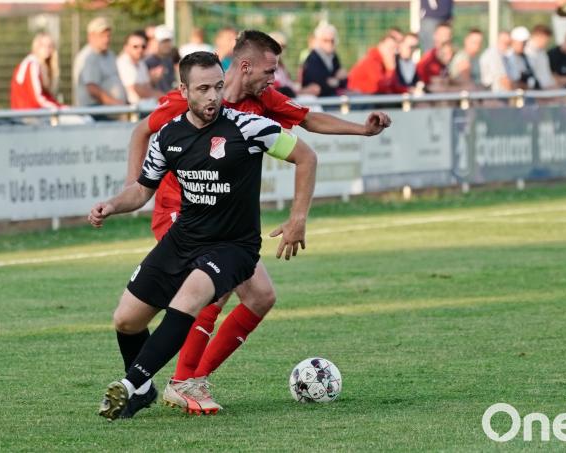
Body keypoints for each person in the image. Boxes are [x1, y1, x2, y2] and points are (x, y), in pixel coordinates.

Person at [122, 30, 391, 417]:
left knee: (261, 296)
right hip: (180, 213)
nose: (274, 78)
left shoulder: (262, 100)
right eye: (269, 69)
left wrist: (363, 130)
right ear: (244, 66)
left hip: (224, 221)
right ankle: (184, 382)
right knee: (215, 286)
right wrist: (136, 186)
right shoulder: (187, 100)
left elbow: (309, 120)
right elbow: (140, 131)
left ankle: (190, 378)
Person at [91, 51, 319, 421]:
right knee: (126, 320)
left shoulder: (248, 127)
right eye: (203, 89)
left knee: (192, 296)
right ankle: (145, 389)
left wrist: (298, 218)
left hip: (234, 246)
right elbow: (142, 190)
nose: (213, 96)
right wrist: (112, 205)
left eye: (217, 86)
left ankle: (132, 384)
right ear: (184, 90)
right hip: (184, 238)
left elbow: (306, 157)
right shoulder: (169, 135)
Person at [73, 17, 127, 109]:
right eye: (102, 36)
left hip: (111, 109)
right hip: (95, 111)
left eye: (108, 35)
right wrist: (117, 105)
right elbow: (93, 89)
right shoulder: (88, 57)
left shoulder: (110, 54)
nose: (106, 39)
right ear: (91, 36)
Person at [11, 32, 63, 110]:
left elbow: (46, 96)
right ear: (36, 46)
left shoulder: (42, 66)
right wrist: (59, 108)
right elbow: (37, 99)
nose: (47, 49)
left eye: (50, 46)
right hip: (28, 115)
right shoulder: (32, 64)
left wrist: (61, 107)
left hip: (35, 113)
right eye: (43, 45)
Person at [302, 22, 347, 97]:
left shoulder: (333, 57)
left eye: (332, 41)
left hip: (333, 96)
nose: (329, 44)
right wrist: (337, 80)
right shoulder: (313, 59)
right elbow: (320, 86)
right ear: (318, 40)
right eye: (325, 40)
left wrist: (335, 81)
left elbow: (344, 80)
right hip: (319, 100)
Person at [117, 30, 162, 104]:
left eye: (143, 46)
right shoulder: (123, 62)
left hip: (143, 106)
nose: (140, 49)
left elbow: (147, 87)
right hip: (131, 108)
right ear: (126, 47)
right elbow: (138, 90)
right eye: (135, 46)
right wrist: (163, 97)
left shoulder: (141, 63)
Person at [144, 26, 177, 93]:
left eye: (169, 41)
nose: (167, 45)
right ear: (155, 42)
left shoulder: (169, 60)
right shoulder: (148, 62)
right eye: (163, 42)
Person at [524, 25, 558, 90]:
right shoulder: (527, 52)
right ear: (540, 36)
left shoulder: (542, 52)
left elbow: (547, 75)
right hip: (537, 91)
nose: (547, 42)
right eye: (546, 39)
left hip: (547, 89)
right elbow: (531, 78)